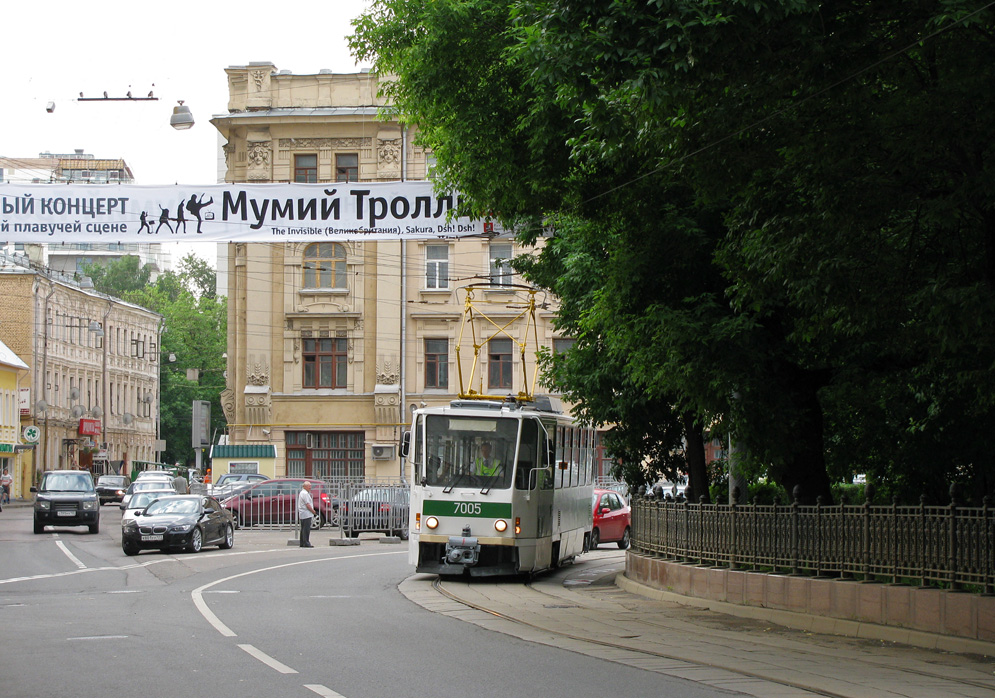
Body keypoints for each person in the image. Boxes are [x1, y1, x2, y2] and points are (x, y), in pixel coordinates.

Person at [297, 480, 316, 548]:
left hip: (303, 513)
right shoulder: (305, 494)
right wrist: (313, 511)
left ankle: (302, 542)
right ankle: (306, 542)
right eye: (309, 486)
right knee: (306, 529)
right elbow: (307, 504)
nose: (310, 487)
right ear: (305, 486)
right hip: (306, 513)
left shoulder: (303, 493)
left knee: (303, 528)